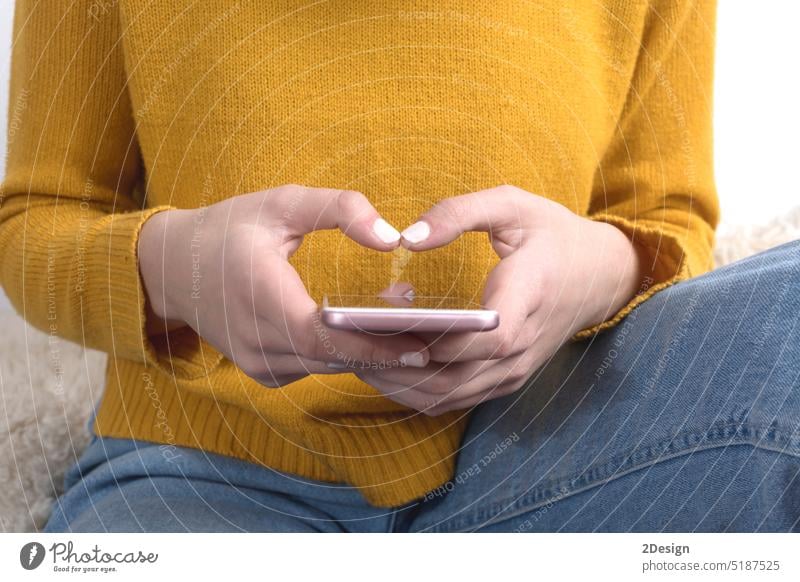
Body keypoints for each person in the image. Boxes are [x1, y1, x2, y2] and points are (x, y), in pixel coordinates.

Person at [1, 0, 798, 532]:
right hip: (203, 471)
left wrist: (594, 267)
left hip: (557, 444)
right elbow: (31, 224)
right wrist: (178, 266)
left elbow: (667, 220)